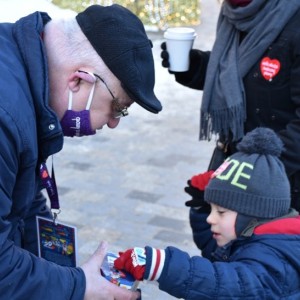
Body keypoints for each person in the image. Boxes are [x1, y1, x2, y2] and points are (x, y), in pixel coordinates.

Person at [0, 3, 161, 299]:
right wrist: (79, 286)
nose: (113, 123)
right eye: (118, 108)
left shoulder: (21, 70)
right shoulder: (5, 116)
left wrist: (63, 270)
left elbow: (19, 198)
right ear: (78, 80)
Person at [113, 127, 300, 299]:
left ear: (253, 216)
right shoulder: (247, 236)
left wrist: (161, 265)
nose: (212, 218)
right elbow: (216, 252)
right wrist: (201, 209)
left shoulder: (276, 258)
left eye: (221, 211)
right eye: (210, 209)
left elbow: (229, 284)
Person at [161, 0, 300, 213]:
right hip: (234, 162)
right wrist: (192, 65)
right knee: (218, 240)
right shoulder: (236, 13)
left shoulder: (293, 19)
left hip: (282, 183)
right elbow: (234, 71)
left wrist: (255, 172)